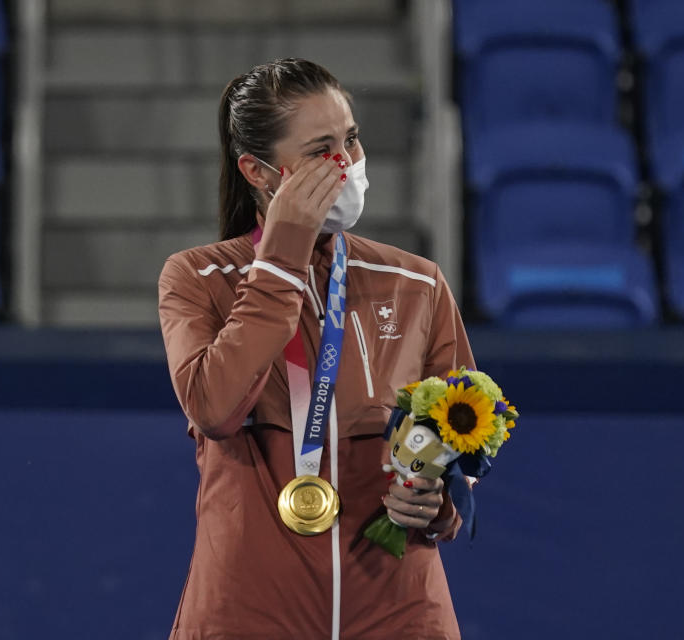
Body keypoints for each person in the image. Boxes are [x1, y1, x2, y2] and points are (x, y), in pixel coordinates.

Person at [158, 58, 475, 640]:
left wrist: (438, 501)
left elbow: (462, 441)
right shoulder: (200, 278)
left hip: (400, 612)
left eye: (350, 139)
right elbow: (216, 407)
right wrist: (281, 257)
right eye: (319, 150)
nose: (346, 164)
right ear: (258, 170)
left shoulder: (417, 282)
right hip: (249, 613)